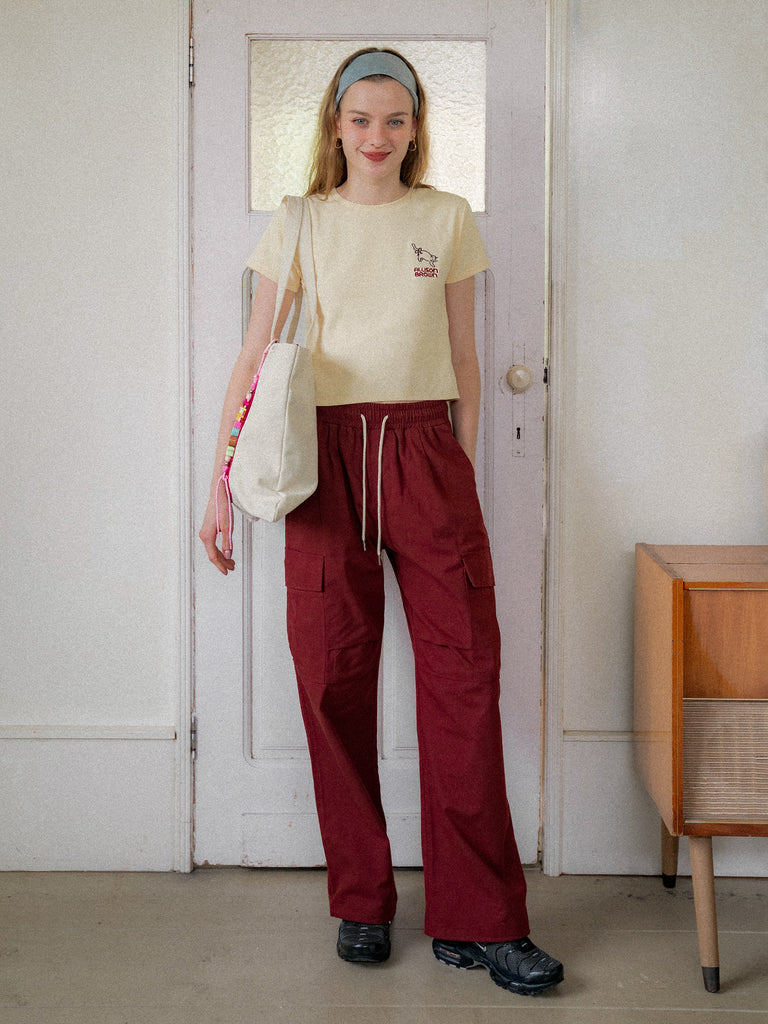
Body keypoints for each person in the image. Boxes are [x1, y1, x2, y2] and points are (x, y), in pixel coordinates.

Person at [199, 47, 563, 998]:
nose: (376, 135)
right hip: (321, 459)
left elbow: (465, 360)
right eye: (360, 118)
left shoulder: (446, 218)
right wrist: (218, 486)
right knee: (330, 678)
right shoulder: (301, 220)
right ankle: (361, 899)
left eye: (394, 119)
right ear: (335, 124)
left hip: (425, 454)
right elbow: (253, 358)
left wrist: (459, 473)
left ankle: (482, 922)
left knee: (464, 680)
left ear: (414, 129)